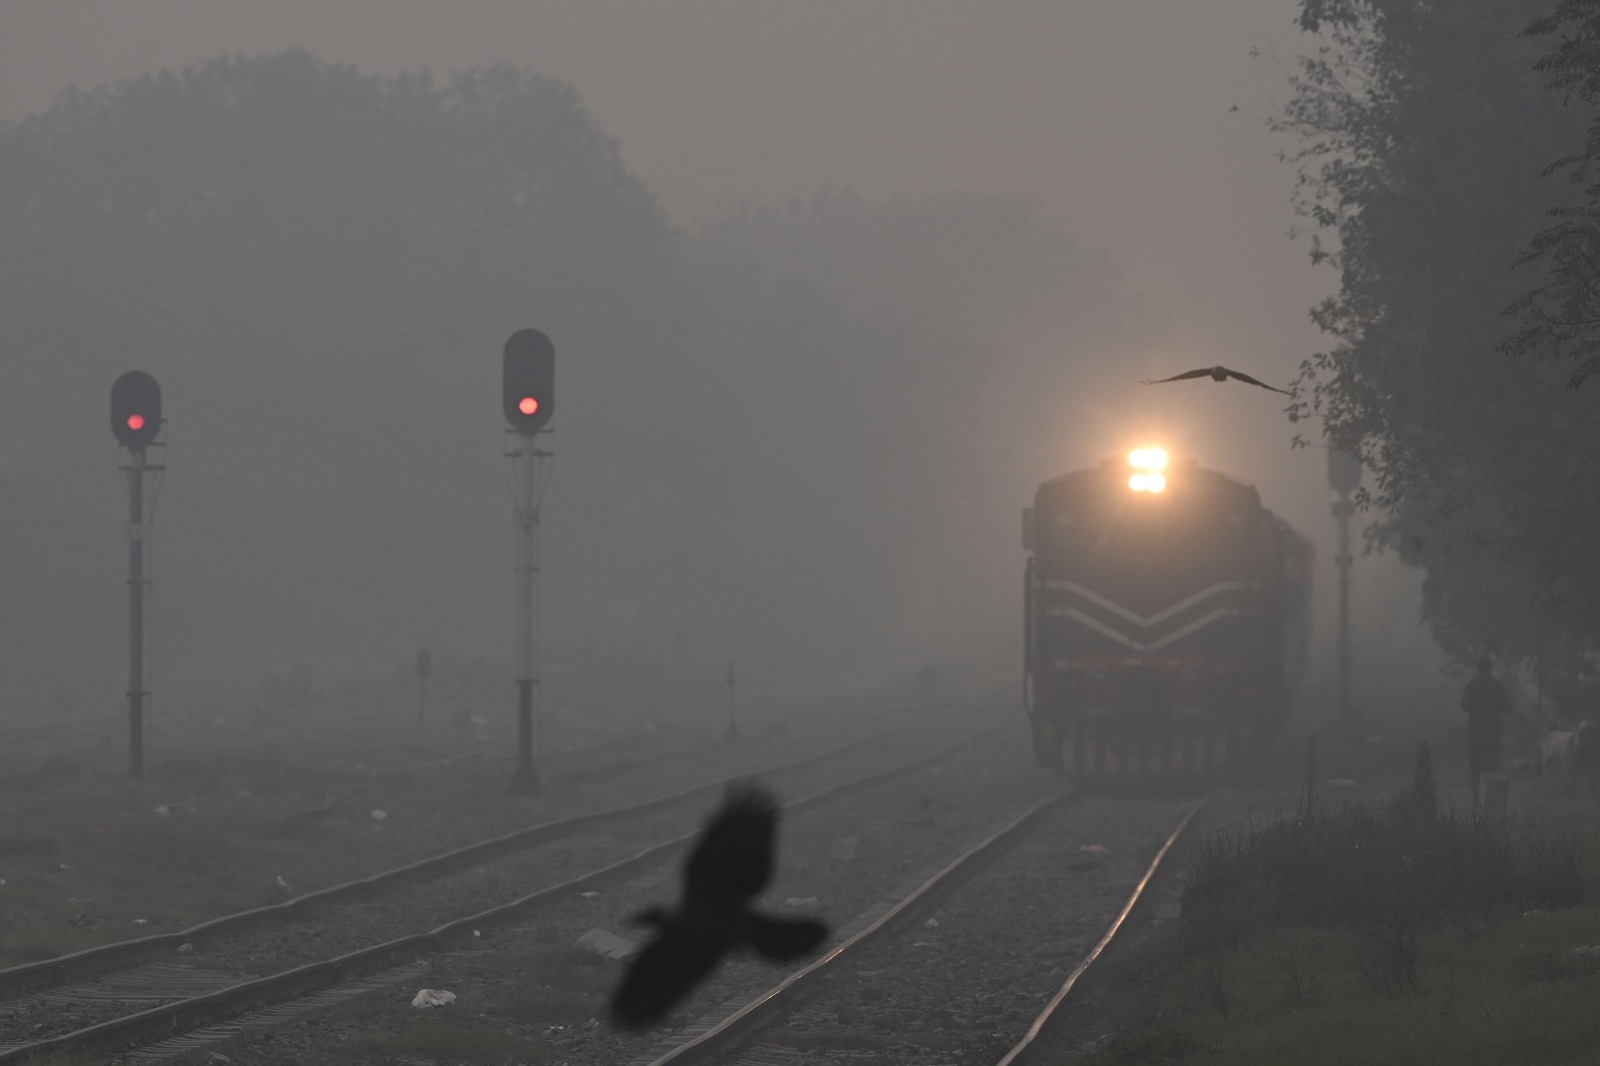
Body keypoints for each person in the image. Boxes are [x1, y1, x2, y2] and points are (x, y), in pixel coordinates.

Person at [1462, 655, 1512, 801]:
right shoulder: (1498, 686)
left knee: (1475, 763)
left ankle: (1476, 795)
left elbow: (1463, 704)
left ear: (1478, 668)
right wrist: (1494, 708)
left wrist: (1476, 707)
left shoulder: (1473, 684)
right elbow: (1508, 707)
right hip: (1492, 732)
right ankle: (1489, 796)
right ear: (1491, 668)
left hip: (1475, 731)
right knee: (1491, 764)